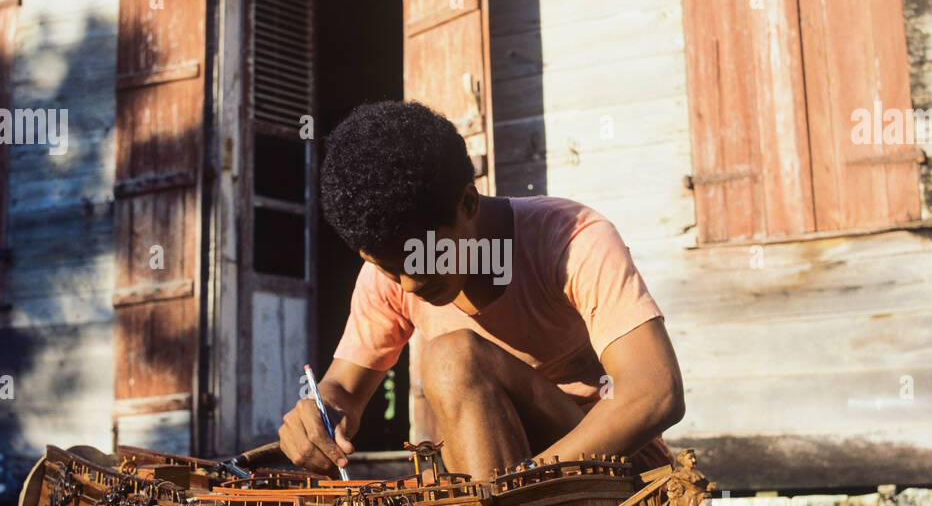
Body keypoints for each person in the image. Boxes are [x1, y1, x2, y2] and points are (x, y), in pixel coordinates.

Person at [279, 100, 685, 481]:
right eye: (390, 268)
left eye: (425, 258)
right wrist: (320, 414)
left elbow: (654, 391)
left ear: (468, 203)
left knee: (453, 359)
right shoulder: (387, 277)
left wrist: (522, 480)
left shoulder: (570, 240)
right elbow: (344, 390)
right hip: (500, 475)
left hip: (611, 471)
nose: (411, 285)